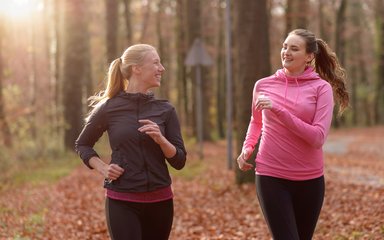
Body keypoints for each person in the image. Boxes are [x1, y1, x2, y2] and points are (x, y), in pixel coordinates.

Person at [236, 29, 349, 240]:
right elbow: (256, 121)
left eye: (294, 48)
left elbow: (317, 138)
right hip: (271, 176)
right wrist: (247, 147)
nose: (286, 52)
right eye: (285, 46)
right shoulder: (263, 85)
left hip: (310, 179)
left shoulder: (321, 88)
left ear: (309, 57)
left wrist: (279, 110)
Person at [75, 44, 187, 240]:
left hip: (160, 200)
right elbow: (83, 144)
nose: (162, 68)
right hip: (122, 200)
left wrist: (161, 141)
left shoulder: (166, 110)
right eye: (155, 63)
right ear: (137, 68)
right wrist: (102, 167)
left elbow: (179, 161)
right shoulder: (109, 108)